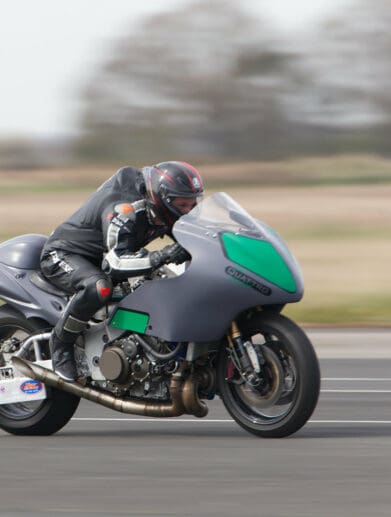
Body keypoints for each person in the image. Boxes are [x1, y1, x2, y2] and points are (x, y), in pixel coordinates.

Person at [40, 161, 204, 382]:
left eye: (193, 204)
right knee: (99, 287)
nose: (188, 211)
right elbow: (115, 264)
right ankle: (60, 344)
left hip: (106, 254)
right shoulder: (124, 209)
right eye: (182, 205)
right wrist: (161, 255)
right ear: (161, 198)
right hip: (65, 254)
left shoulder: (168, 209)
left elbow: (198, 241)